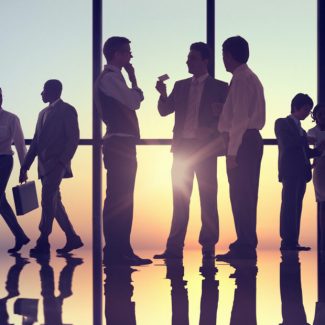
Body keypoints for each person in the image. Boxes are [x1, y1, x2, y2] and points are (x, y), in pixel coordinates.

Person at [154, 42, 228, 260]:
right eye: (188, 57)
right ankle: (174, 247)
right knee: (179, 199)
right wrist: (162, 93)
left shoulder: (221, 87)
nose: (187, 61)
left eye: (192, 57)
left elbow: (227, 118)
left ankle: (208, 246)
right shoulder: (180, 85)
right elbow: (164, 111)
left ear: (205, 60)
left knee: (208, 198)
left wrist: (212, 128)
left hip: (205, 149)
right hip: (182, 150)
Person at [94, 36, 152, 266]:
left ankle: (119, 249)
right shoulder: (110, 79)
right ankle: (118, 250)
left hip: (120, 144)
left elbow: (131, 100)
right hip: (119, 144)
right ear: (116, 55)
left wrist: (131, 82)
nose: (131, 56)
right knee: (121, 198)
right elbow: (134, 101)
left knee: (120, 197)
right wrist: (134, 81)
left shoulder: (111, 78)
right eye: (127, 52)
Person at [19, 79, 83, 255]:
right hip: (43, 166)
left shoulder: (67, 110)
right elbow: (36, 143)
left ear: (53, 91)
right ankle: (72, 237)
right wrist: (25, 166)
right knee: (55, 203)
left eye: (44, 90)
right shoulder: (42, 113)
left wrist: (63, 161)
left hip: (57, 164)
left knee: (47, 199)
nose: (41, 93)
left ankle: (43, 240)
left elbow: (73, 138)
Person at [216, 36, 265, 261]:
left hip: (243, 142)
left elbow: (240, 119)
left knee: (241, 194)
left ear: (231, 55)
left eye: (224, 54)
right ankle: (244, 241)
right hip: (248, 140)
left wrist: (232, 152)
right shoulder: (246, 77)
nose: (223, 59)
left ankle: (245, 244)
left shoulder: (242, 79)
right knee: (244, 194)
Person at [275, 94, 324, 251]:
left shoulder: (302, 131)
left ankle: (293, 241)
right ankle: (286, 241)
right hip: (290, 172)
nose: (307, 112)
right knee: (289, 206)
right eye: (306, 109)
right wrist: (306, 141)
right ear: (296, 107)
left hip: (302, 174)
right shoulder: (282, 123)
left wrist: (318, 150)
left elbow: (306, 153)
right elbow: (287, 144)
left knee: (296, 207)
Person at [0, 87, 30, 253]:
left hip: (4, 161)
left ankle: (19, 235)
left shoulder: (11, 118)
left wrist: (23, 168)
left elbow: (20, 144)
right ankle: (20, 235)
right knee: (0, 200)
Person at [308, 104, 325, 250]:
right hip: (320, 168)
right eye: (320, 114)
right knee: (322, 202)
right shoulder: (312, 132)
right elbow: (308, 150)